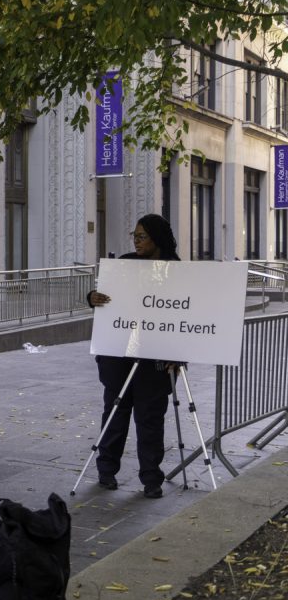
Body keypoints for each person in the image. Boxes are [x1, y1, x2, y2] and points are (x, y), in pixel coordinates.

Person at [87, 213, 180, 499]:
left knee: (150, 419)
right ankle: (106, 471)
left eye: (142, 237)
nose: (137, 242)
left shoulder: (177, 270)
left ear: (157, 238)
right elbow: (105, 298)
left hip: (155, 357)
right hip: (120, 353)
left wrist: (180, 353)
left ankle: (151, 478)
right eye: (135, 236)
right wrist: (92, 297)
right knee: (115, 412)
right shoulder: (124, 264)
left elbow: (184, 314)